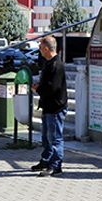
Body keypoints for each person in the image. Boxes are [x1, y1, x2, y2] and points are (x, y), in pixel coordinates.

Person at [30, 36, 68, 177]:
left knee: (55, 138)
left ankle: (56, 165)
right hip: (48, 106)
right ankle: (46, 160)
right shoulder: (48, 63)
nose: (39, 50)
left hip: (56, 107)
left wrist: (37, 89)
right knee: (46, 137)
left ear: (46, 48)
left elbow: (53, 88)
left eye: (40, 47)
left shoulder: (56, 65)